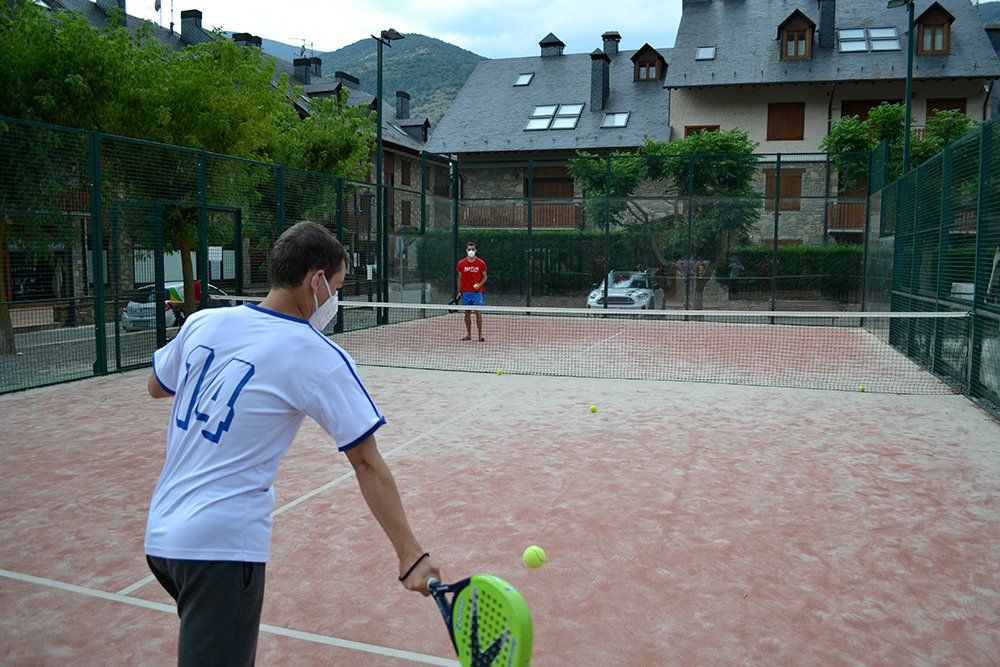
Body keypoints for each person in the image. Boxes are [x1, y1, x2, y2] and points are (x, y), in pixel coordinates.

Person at [144, 221, 439, 666]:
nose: (334, 300)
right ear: (316, 280)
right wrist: (410, 554)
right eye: (336, 288)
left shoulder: (205, 321)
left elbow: (156, 385)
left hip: (162, 536)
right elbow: (366, 462)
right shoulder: (316, 354)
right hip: (220, 547)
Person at [455, 241, 487, 342]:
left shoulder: (481, 263)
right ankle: (468, 334)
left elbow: (485, 277)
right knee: (467, 313)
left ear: (475, 250)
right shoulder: (461, 263)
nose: (471, 251)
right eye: (469, 249)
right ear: (466, 250)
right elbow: (460, 278)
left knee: (478, 312)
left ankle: (480, 335)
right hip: (466, 293)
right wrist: (459, 291)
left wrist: (480, 284)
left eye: (473, 249)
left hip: (477, 293)